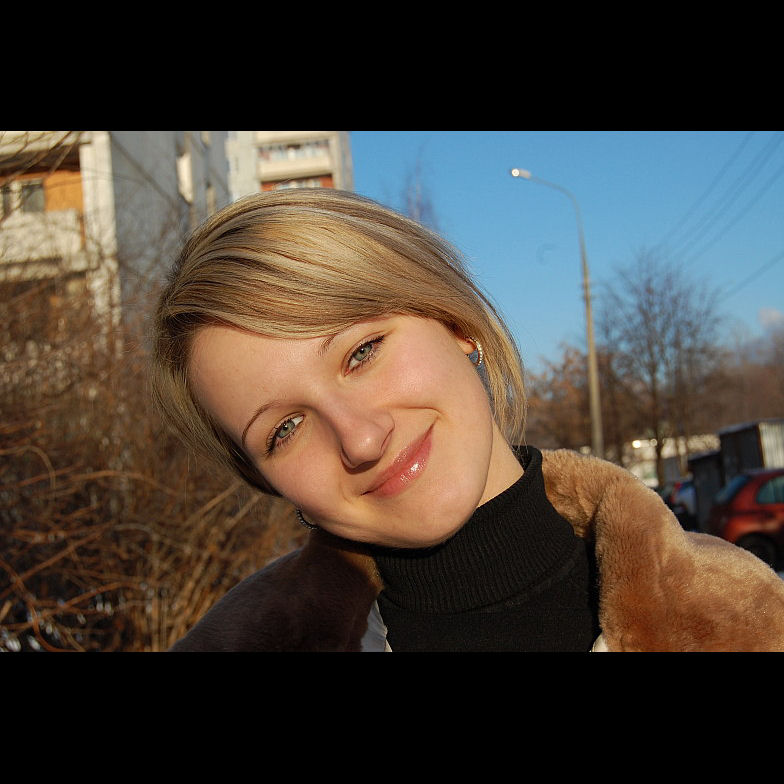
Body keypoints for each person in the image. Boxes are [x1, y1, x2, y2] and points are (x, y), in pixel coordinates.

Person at [151, 188, 784, 652]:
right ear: (267, 482)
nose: (361, 438)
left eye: (362, 352)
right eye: (284, 430)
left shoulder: (745, 613)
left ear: (455, 325)